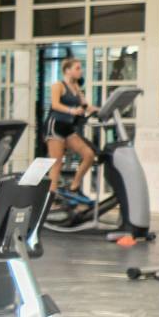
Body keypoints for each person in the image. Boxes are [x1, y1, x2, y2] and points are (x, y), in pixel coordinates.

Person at [46, 56, 98, 205]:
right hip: (55, 126)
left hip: (68, 127)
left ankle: (74, 187)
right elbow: (55, 105)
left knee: (89, 155)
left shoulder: (76, 87)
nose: (80, 71)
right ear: (67, 70)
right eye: (77, 68)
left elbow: (86, 105)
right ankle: (51, 198)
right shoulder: (58, 86)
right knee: (56, 163)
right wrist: (71, 111)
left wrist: (103, 110)